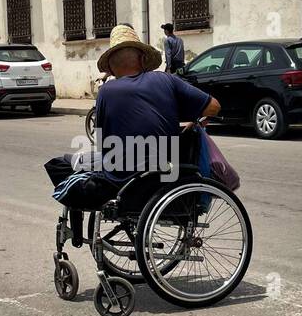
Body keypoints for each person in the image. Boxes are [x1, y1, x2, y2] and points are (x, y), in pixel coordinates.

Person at [45, 24, 220, 210]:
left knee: (59, 164)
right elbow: (214, 107)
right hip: (165, 178)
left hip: (121, 183)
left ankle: (79, 228)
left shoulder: (106, 92)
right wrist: (182, 114)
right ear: (144, 59)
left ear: (111, 68)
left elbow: (103, 142)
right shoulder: (166, 80)